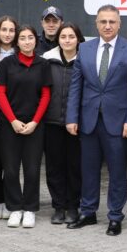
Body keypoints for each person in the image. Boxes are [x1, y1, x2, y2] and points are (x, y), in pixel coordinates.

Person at [66, 5, 127, 236]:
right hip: (88, 121)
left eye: (112, 21)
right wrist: (72, 117)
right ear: (96, 24)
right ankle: (88, 212)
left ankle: (115, 216)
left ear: (119, 24)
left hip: (118, 123)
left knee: (117, 172)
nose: (107, 26)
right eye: (103, 21)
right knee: (88, 170)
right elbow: (76, 86)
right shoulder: (84, 48)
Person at [0, 25, 51, 229]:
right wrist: (12, 120)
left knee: (32, 169)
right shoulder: (7, 64)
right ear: (17, 42)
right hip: (10, 124)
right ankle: (14, 208)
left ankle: (29, 209)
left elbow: (46, 95)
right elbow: (0, 93)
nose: (27, 42)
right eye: (22, 38)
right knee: (10, 170)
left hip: (35, 125)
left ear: (36, 41)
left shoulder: (43, 64)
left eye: (30, 38)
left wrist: (35, 121)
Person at [42, 22, 84, 225]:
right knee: (54, 167)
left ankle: (73, 206)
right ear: (58, 39)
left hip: (76, 123)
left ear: (78, 39)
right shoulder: (47, 59)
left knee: (74, 166)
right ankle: (58, 207)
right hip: (51, 122)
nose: (67, 40)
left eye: (71, 36)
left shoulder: (84, 60)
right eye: (63, 37)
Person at [0, 15, 18, 219]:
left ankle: (9, 200)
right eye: (4, 30)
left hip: (11, 114)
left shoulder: (21, 54)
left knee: (11, 162)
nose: (8, 34)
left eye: (11, 30)